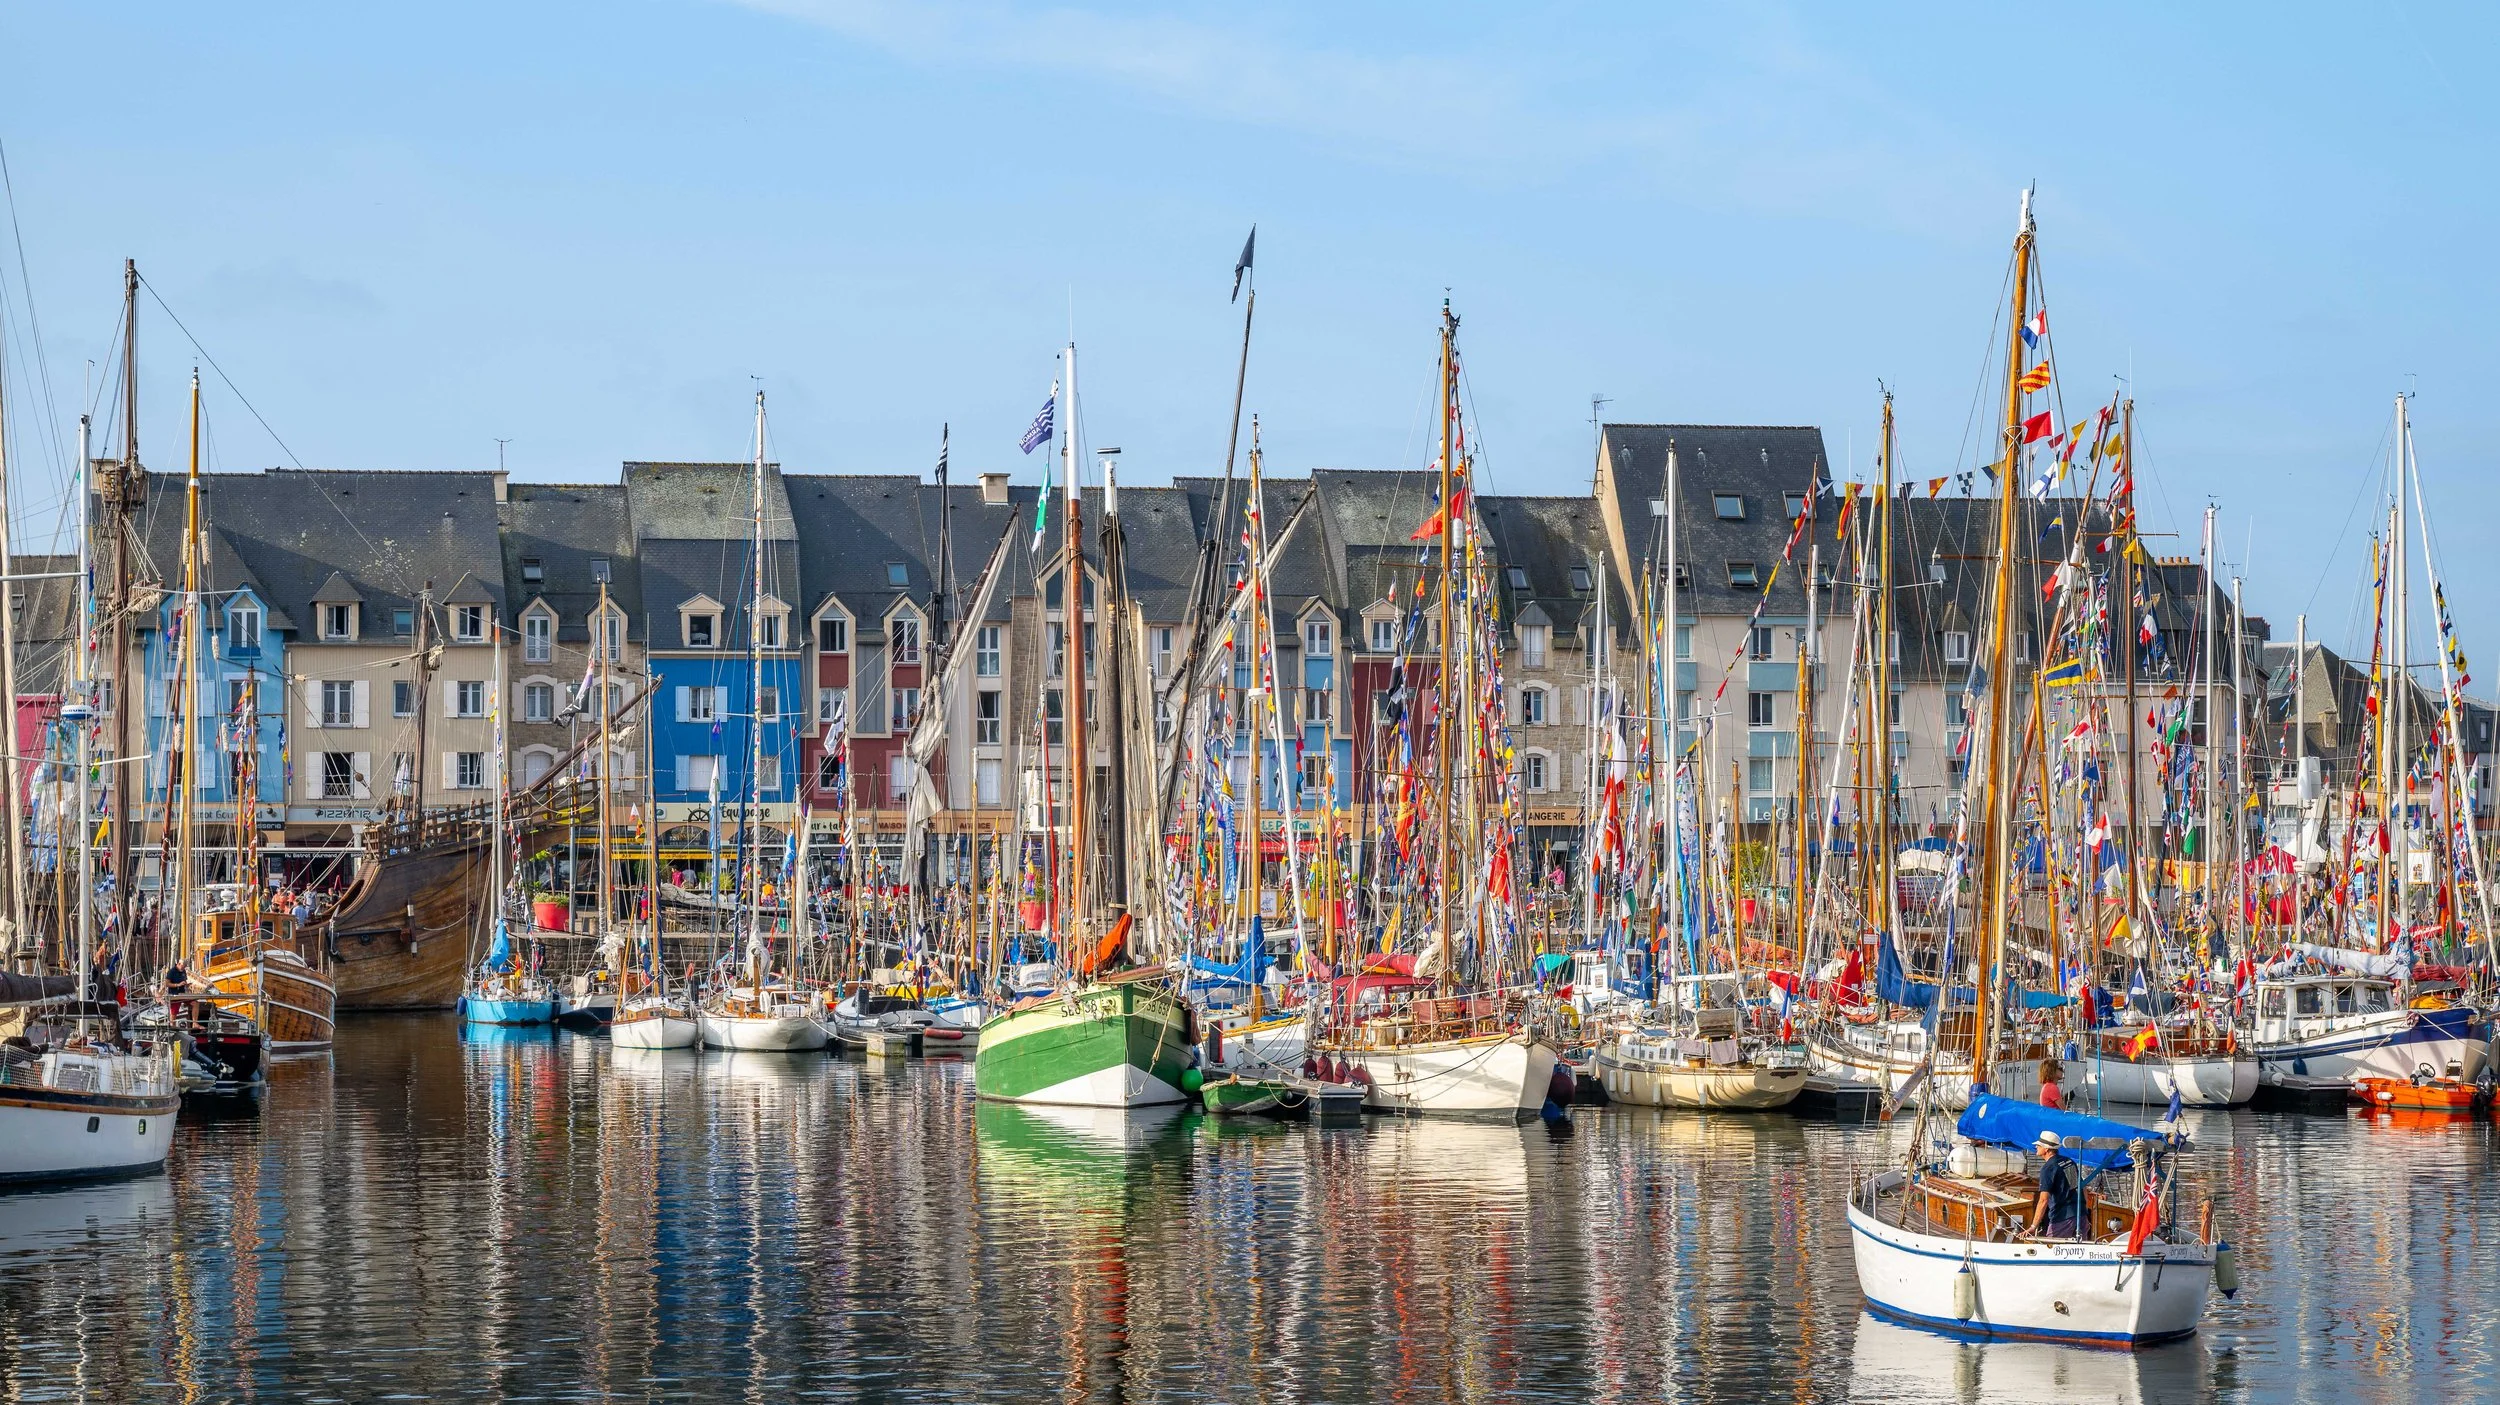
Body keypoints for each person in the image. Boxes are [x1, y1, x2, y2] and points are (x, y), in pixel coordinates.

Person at [2027, 1130, 2081, 1238]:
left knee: (2052, 1248)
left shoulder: (2048, 1169)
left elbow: (2043, 1200)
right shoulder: (2069, 1162)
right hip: (2080, 1216)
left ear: (2046, 1149)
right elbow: (2078, 1187)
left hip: (2062, 1218)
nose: (2036, 1147)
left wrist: (2033, 1226)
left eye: (2038, 1145)